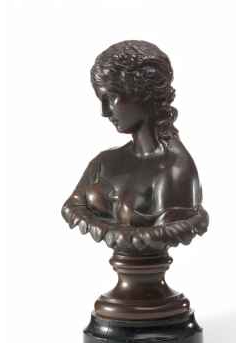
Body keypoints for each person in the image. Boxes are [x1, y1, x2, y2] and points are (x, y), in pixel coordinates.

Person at [62, 40, 208, 252]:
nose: (104, 111)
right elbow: (71, 206)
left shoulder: (175, 171)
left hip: (151, 269)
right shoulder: (105, 161)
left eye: (111, 98)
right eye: (101, 100)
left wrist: (103, 227)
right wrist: (115, 231)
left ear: (142, 92)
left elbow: (158, 237)